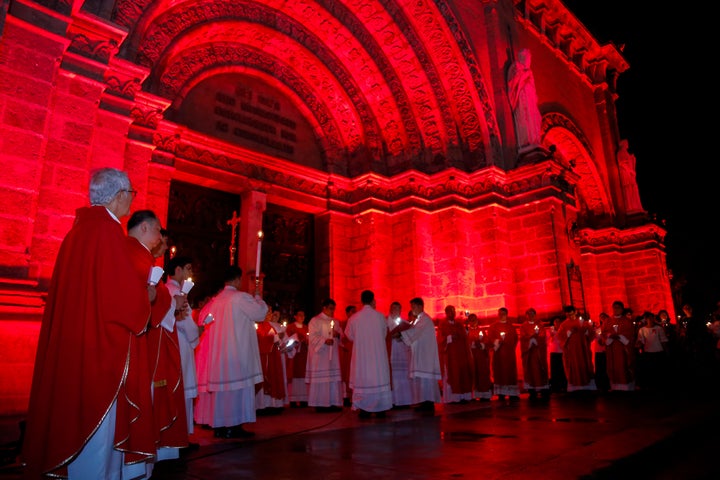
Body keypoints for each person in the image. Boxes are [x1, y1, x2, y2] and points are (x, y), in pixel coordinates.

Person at [21, 167, 155, 479]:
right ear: (119, 196)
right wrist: (146, 297)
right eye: (131, 195)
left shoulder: (77, 233)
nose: (131, 202)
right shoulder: (107, 234)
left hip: (75, 344)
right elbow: (122, 301)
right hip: (99, 351)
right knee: (97, 437)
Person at [128, 212, 188, 462]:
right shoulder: (137, 260)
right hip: (148, 343)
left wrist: (171, 305)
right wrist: (172, 303)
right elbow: (145, 303)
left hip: (158, 342)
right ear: (145, 228)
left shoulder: (148, 265)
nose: (161, 243)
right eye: (158, 234)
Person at [203, 266, 268, 438]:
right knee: (238, 391)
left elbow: (204, 319)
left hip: (220, 354)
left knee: (223, 393)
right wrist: (259, 298)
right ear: (238, 280)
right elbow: (260, 314)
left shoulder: (216, 300)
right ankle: (234, 426)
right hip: (238, 352)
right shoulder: (240, 297)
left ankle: (220, 426)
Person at [164, 255, 201, 436]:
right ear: (177, 270)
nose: (190, 273)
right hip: (180, 345)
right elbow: (185, 321)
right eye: (188, 268)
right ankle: (179, 437)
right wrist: (197, 335)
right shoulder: (176, 293)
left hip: (173, 343)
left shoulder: (166, 290)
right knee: (181, 388)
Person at [344, 290, 393, 418]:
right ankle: (380, 408)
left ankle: (364, 409)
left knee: (363, 380)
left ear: (361, 301)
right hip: (377, 356)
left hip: (362, 357)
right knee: (378, 379)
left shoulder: (354, 318)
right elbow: (384, 334)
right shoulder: (380, 316)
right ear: (373, 300)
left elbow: (349, 336)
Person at [390, 297, 442, 413]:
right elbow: (412, 334)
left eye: (413, 307)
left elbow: (414, 332)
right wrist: (400, 335)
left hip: (425, 357)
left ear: (420, 307)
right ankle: (423, 402)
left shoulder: (425, 319)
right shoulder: (419, 320)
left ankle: (428, 404)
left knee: (426, 381)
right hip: (421, 355)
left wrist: (399, 333)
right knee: (421, 381)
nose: (412, 309)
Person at [305, 298, 344, 412]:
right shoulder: (315, 320)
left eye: (334, 309)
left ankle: (333, 403)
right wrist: (324, 341)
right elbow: (312, 336)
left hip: (333, 357)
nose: (333, 311)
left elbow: (342, 336)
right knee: (322, 380)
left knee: (332, 379)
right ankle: (320, 404)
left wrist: (338, 335)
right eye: (331, 309)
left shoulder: (336, 322)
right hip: (321, 357)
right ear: (324, 308)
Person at [507, 48, 543, 151]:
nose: (529, 61)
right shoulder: (516, 68)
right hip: (523, 100)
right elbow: (513, 83)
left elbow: (532, 88)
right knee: (525, 120)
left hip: (530, 100)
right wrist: (524, 75)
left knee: (535, 118)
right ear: (523, 58)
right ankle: (527, 142)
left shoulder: (528, 71)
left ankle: (534, 140)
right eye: (527, 58)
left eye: (529, 58)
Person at [437, 305, 474, 403]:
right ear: (446, 313)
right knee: (452, 374)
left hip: (461, 354)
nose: (452, 313)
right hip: (450, 355)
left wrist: (465, 330)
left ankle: (464, 396)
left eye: (453, 311)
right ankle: (453, 398)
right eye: (450, 311)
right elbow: (440, 339)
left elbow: (465, 336)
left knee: (463, 374)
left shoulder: (459, 324)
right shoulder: (443, 324)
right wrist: (449, 337)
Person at [255, 306, 288, 414]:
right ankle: (261, 406)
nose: (269, 314)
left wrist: (282, 341)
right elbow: (261, 340)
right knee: (264, 380)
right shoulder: (258, 325)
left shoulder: (270, 326)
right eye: (267, 312)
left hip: (274, 357)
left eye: (270, 312)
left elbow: (276, 341)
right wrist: (276, 337)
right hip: (264, 358)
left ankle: (274, 405)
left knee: (275, 378)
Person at [558, 305, 597, 393]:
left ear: (575, 312)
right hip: (571, 351)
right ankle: (575, 386)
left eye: (572, 314)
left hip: (583, 349)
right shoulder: (564, 325)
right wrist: (569, 333)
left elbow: (591, 333)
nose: (570, 317)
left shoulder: (583, 322)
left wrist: (585, 331)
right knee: (573, 366)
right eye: (568, 315)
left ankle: (588, 385)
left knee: (585, 364)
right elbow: (560, 337)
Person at [487, 307, 520, 401]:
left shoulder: (511, 326)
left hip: (509, 354)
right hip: (499, 355)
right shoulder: (493, 326)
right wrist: (498, 341)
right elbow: (490, 339)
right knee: (500, 373)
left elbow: (515, 339)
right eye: (500, 314)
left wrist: (507, 342)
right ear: (498, 315)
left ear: (507, 315)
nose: (501, 316)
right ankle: (501, 393)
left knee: (510, 373)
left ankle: (512, 393)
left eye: (503, 314)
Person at [604, 301, 636, 392]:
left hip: (623, 349)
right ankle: (614, 386)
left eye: (618, 307)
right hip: (612, 348)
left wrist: (620, 336)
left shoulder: (627, 321)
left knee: (624, 365)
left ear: (622, 309)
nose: (616, 309)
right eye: (614, 307)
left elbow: (630, 334)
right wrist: (610, 335)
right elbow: (603, 333)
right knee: (613, 366)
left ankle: (627, 386)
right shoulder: (607, 321)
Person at [518, 307, 549, 401]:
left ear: (535, 315)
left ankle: (543, 389)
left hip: (538, 352)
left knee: (540, 369)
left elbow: (543, 336)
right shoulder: (523, 326)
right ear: (526, 315)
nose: (531, 315)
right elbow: (522, 338)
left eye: (532, 313)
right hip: (529, 354)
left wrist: (537, 339)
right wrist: (530, 339)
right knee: (530, 370)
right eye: (529, 314)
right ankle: (532, 390)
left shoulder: (540, 325)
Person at [386, 301, 413, 408]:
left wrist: (401, 335)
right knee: (394, 376)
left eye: (398, 308)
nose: (396, 310)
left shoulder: (404, 323)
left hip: (402, 353)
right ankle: (394, 401)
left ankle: (405, 401)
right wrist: (391, 336)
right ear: (390, 309)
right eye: (394, 308)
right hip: (392, 352)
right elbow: (383, 336)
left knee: (404, 376)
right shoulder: (385, 322)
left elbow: (410, 338)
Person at [635, 311, 669, 392]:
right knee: (650, 372)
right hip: (648, 353)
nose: (650, 319)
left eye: (652, 317)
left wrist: (667, 351)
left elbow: (663, 340)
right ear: (646, 319)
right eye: (648, 318)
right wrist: (638, 344)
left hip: (658, 352)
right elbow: (641, 341)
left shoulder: (659, 328)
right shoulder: (642, 330)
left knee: (659, 372)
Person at [285, 308, 309, 407]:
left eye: (303, 315)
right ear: (295, 316)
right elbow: (287, 342)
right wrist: (297, 341)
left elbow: (310, 340)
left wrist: (306, 341)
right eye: (299, 315)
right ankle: (293, 400)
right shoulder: (290, 327)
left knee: (303, 375)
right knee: (294, 376)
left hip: (303, 354)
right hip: (294, 356)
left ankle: (303, 399)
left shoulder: (306, 328)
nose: (302, 317)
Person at [466, 313, 493, 401]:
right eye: (471, 320)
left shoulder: (482, 332)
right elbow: (464, 344)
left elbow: (487, 343)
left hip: (481, 357)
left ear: (477, 321)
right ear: (469, 322)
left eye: (475, 320)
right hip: (472, 357)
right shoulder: (467, 333)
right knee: (472, 374)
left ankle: (484, 394)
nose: (473, 322)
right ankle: (473, 395)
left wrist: (481, 344)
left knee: (482, 374)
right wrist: (472, 344)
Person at [617, 139, 644, 213]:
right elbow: (622, 163)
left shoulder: (626, 153)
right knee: (628, 188)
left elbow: (629, 162)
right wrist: (630, 170)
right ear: (623, 144)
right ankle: (630, 207)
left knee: (633, 188)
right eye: (626, 143)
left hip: (630, 174)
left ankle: (635, 206)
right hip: (626, 174)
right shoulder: (620, 152)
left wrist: (632, 159)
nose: (627, 144)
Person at [339, 305, 356, 406]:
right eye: (352, 311)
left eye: (355, 311)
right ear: (347, 313)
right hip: (347, 351)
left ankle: (354, 396)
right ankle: (346, 396)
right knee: (347, 373)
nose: (354, 313)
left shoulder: (357, 322)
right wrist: (343, 345)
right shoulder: (343, 323)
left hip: (355, 350)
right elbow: (341, 338)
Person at [547, 316, 567, 393]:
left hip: (561, 351)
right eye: (555, 321)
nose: (557, 323)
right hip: (554, 351)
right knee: (555, 370)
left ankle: (564, 384)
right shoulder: (550, 331)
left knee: (562, 369)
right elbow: (548, 341)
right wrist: (551, 336)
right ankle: (556, 386)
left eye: (559, 321)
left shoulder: (562, 330)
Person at [592, 312, 611, 393]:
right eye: (601, 317)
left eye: (604, 317)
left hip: (606, 350)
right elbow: (595, 337)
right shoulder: (598, 328)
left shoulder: (610, 328)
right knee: (599, 368)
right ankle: (600, 385)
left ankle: (608, 384)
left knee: (607, 367)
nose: (602, 319)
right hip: (598, 350)